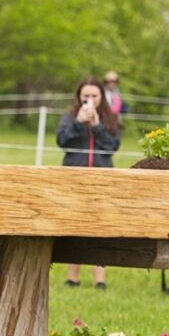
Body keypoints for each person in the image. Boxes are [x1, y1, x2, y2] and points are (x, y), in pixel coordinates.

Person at [56, 75, 121, 289]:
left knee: (99, 230)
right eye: (86, 95)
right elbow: (62, 141)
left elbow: (112, 146)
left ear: (101, 96)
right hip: (74, 177)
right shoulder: (69, 116)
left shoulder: (111, 119)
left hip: (101, 179)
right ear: (79, 97)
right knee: (73, 228)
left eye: (94, 95)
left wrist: (96, 126)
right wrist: (78, 123)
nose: (90, 99)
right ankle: (72, 278)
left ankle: (99, 280)